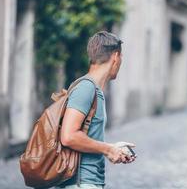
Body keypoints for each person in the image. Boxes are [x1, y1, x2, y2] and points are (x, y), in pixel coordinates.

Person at [56, 31, 136, 189]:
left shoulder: (92, 89)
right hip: (80, 183)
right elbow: (69, 136)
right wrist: (108, 149)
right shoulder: (86, 88)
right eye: (121, 58)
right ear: (115, 57)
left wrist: (113, 148)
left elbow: (84, 136)